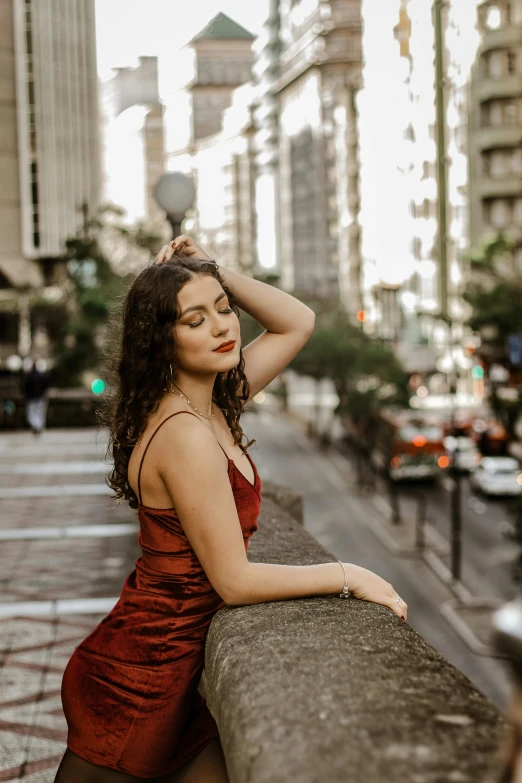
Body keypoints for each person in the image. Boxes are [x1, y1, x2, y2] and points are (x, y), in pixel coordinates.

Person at [54, 236, 408, 783]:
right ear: (161, 340)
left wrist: (210, 269)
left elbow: (297, 322)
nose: (223, 327)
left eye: (224, 309)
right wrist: (348, 574)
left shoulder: (214, 403)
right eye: (194, 320)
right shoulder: (185, 433)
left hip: (178, 667)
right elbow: (234, 581)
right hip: (139, 676)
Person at [24, 359, 50, 434]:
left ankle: (36, 426)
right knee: (40, 412)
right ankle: (39, 426)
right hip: (40, 397)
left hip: (31, 398)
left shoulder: (29, 376)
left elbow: (25, 387)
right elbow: (46, 385)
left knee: (32, 412)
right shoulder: (41, 375)